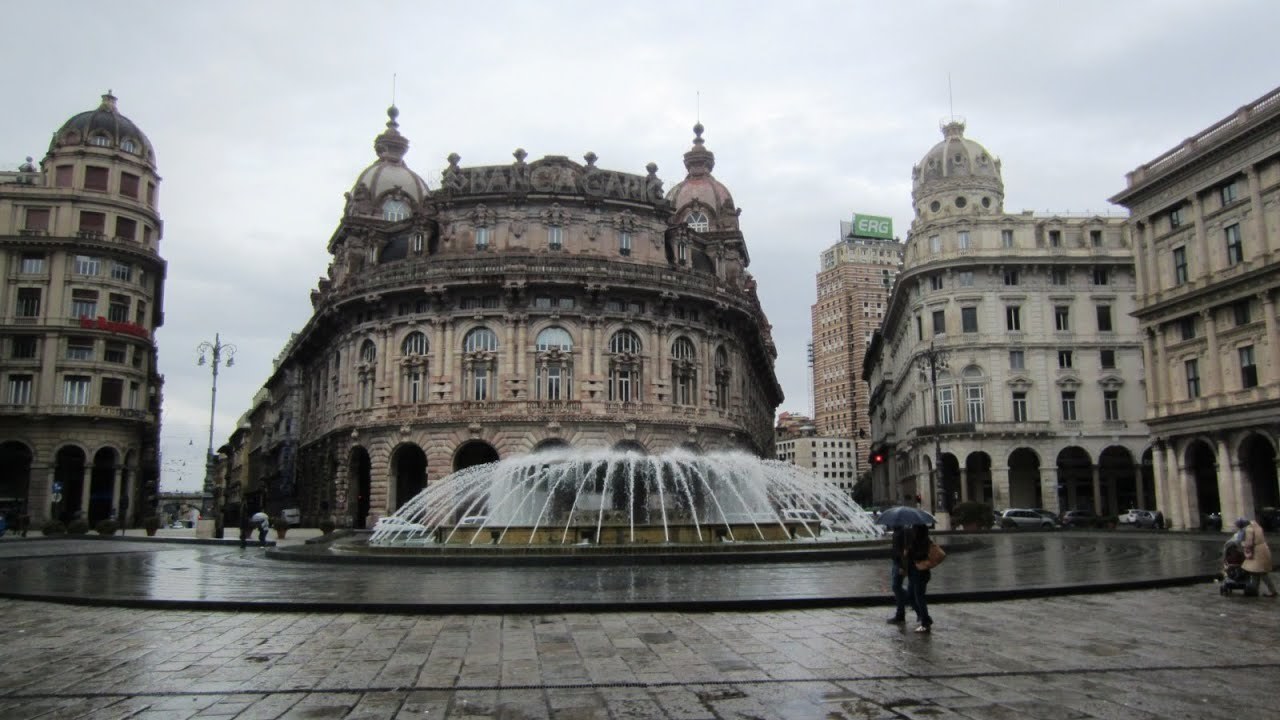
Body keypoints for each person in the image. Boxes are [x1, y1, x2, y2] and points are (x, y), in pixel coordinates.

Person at [904, 523, 933, 632]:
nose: (912, 530)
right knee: (911, 596)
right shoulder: (913, 540)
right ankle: (924, 617)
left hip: (920, 573)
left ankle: (925, 623)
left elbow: (921, 556)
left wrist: (909, 552)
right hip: (913, 573)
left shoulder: (925, 542)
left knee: (919, 597)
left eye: (914, 529)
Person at [1238, 516, 1277, 597]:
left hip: (1257, 551)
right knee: (1256, 571)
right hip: (1263, 549)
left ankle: (1272, 591)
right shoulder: (1257, 526)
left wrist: (1242, 544)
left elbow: (1249, 543)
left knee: (1261, 572)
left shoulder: (1249, 529)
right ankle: (1254, 590)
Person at [887, 526, 910, 623]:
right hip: (896, 562)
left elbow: (904, 550)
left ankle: (901, 613)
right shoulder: (896, 531)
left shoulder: (903, 532)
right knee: (896, 587)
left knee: (896, 587)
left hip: (899, 563)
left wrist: (902, 566)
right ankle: (901, 613)